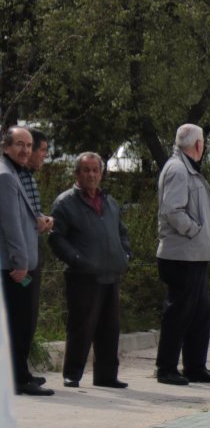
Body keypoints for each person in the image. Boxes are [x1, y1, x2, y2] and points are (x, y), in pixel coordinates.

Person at [48, 153, 131, 389]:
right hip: (82, 276)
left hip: (111, 274)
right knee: (81, 327)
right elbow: (56, 238)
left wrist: (125, 255)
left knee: (110, 328)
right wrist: (76, 259)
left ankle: (106, 376)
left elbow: (122, 232)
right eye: (86, 170)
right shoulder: (65, 203)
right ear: (77, 174)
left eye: (95, 170)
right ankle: (72, 374)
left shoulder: (110, 202)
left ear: (101, 173)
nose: (91, 175)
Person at [155, 124, 210, 386]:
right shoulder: (178, 169)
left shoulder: (186, 168)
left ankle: (195, 366)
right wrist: (195, 230)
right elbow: (173, 210)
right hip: (181, 254)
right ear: (198, 145)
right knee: (179, 312)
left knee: (198, 313)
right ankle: (167, 368)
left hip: (193, 254)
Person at [0, 127, 53, 396]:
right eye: (19, 144)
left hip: (21, 262)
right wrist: (20, 263)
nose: (25, 150)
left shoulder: (15, 173)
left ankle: (21, 374)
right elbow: (10, 225)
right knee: (19, 324)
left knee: (24, 322)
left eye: (29, 145)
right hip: (14, 266)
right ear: (6, 146)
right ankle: (19, 379)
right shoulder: (6, 176)